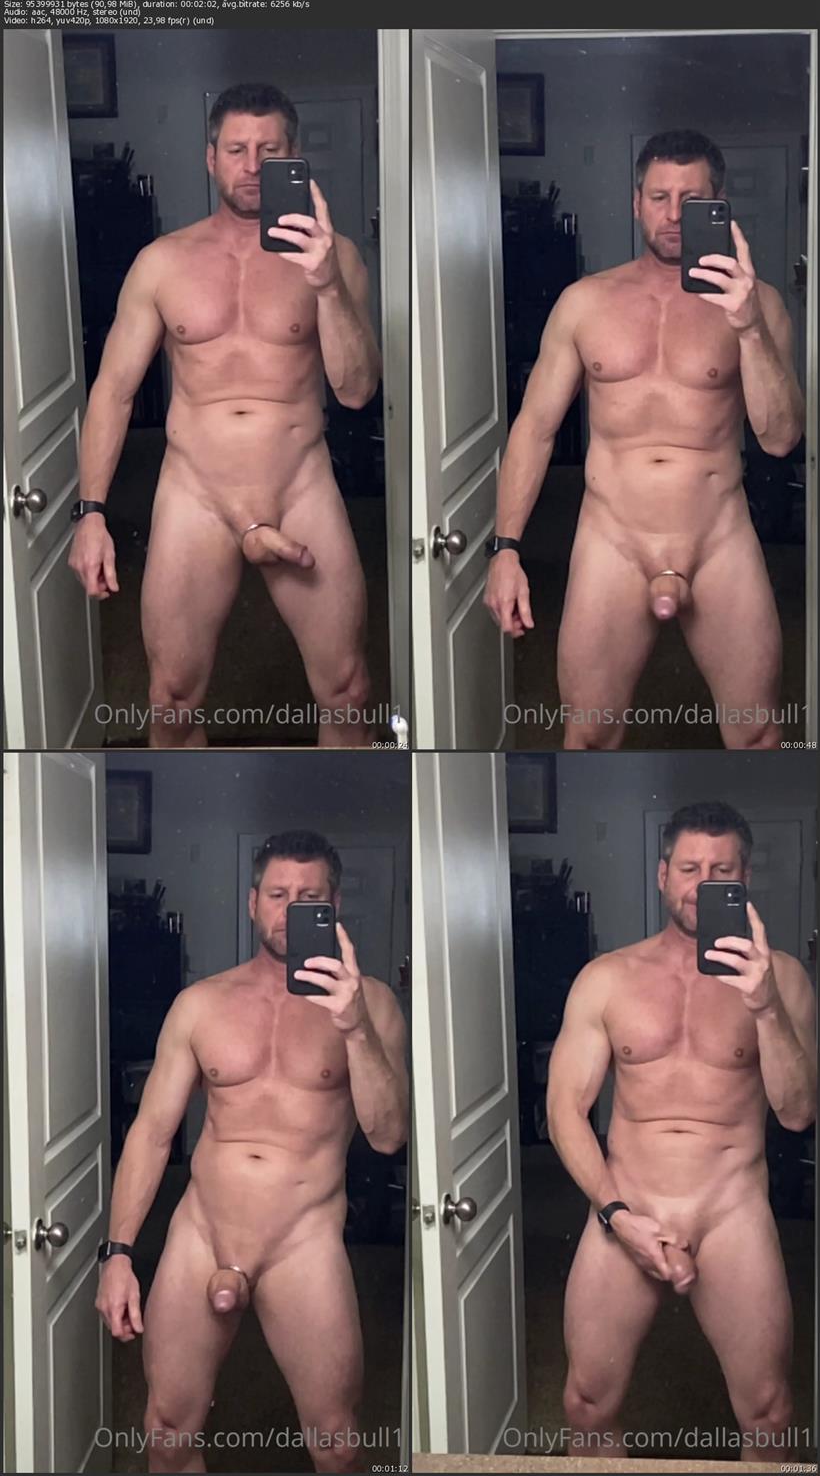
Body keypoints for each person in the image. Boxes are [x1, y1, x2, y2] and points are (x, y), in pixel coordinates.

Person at [68, 84, 381, 749]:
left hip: (298, 486)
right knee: (172, 698)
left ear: (294, 157)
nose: (252, 165)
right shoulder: (161, 263)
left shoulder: (338, 258)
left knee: (348, 690)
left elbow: (356, 391)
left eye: (269, 150)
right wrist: (90, 512)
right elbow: (114, 391)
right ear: (210, 157)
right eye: (236, 149)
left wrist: (326, 284)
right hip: (196, 494)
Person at [95, 831, 408, 1474]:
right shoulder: (200, 1004)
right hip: (202, 1232)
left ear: (333, 906)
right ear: (252, 902)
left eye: (309, 898)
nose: (290, 909)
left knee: (338, 1442)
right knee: (167, 1433)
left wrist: (352, 1026)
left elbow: (388, 1135)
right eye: (277, 894)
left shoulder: (372, 1004)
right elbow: (151, 1133)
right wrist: (117, 1254)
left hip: (303, 1239)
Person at [484, 130, 805, 750]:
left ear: (719, 205)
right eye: (660, 197)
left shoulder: (760, 305)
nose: (674, 213)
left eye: (692, 199)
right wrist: (506, 549)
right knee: (589, 733)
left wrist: (747, 329)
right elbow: (535, 428)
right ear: (636, 203)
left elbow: (781, 438)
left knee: (758, 734)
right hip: (613, 539)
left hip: (717, 536)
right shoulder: (584, 303)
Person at [546, 801, 816, 1456]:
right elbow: (564, 1111)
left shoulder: (783, 978)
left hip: (731, 1207)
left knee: (770, 1413)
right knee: (585, 1403)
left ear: (744, 877)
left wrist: (764, 1007)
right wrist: (616, 1213)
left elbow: (798, 1111)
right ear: (663, 875)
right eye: (690, 868)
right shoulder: (607, 978)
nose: (703, 883)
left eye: (722, 870)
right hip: (629, 1198)